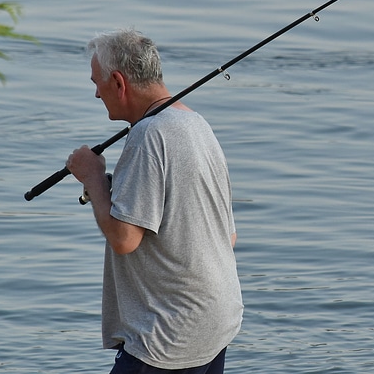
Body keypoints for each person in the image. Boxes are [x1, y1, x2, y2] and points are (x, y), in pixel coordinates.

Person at [66, 28, 243, 374]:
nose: (96, 94)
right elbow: (229, 236)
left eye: (96, 83)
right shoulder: (197, 124)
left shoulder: (148, 136)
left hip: (168, 335)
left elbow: (124, 239)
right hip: (216, 322)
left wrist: (92, 177)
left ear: (118, 82)